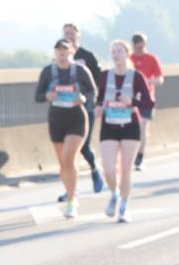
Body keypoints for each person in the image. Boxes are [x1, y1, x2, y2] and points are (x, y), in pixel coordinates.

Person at [34, 38, 97, 218]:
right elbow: (37, 96)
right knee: (63, 163)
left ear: (72, 53)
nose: (62, 54)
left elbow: (93, 91)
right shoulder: (48, 71)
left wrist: (84, 98)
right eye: (59, 51)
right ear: (55, 53)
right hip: (56, 119)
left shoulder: (80, 70)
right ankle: (71, 191)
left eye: (65, 51)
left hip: (76, 118)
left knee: (69, 158)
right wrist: (48, 95)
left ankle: (71, 201)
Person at [94, 40, 154, 222]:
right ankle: (114, 194)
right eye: (113, 52)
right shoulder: (105, 76)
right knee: (108, 169)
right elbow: (98, 99)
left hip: (130, 126)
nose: (116, 54)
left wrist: (132, 102)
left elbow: (149, 102)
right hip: (109, 126)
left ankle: (125, 207)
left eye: (119, 51)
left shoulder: (136, 76)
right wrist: (98, 108)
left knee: (125, 170)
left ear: (127, 54)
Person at [63, 23, 105, 195]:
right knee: (66, 151)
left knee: (83, 146)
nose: (69, 36)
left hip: (86, 108)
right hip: (65, 110)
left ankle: (94, 169)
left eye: (72, 33)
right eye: (66, 33)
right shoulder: (61, 57)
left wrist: (94, 101)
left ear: (78, 35)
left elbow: (98, 81)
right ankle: (71, 189)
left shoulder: (87, 56)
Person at [129, 32, 163, 171]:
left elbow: (160, 80)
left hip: (147, 99)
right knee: (131, 130)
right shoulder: (129, 59)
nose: (139, 51)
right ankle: (130, 156)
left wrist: (145, 81)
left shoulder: (152, 59)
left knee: (142, 128)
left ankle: (140, 158)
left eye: (142, 47)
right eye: (137, 48)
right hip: (130, 100)